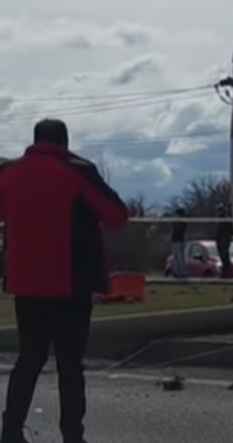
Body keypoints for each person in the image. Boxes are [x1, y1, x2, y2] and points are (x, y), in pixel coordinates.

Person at [0, 119, 129, 443]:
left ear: (35, 139)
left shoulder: (11, 172)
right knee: (70, 365)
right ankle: (72, 434)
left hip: (26, 283)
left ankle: (11, 430)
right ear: (65, 141)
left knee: (29, 359)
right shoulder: (78, 169)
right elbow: (116, 215)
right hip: (70, 281)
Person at [214, 204, 233, 278]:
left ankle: (227, 270)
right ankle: (225, 269)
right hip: (219, 238)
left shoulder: (225, 219)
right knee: (221, 254)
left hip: (224, 238)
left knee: (224, 254)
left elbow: (228, 229)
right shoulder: (218, 219)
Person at [170, 208, 188, 278]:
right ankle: (177, 271)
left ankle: (183, 272)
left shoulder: (183, 222)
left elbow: (181, 230)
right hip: (174, 240)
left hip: (180, 240)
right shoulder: (175, 222)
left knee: (181, 257)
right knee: (175, 257)